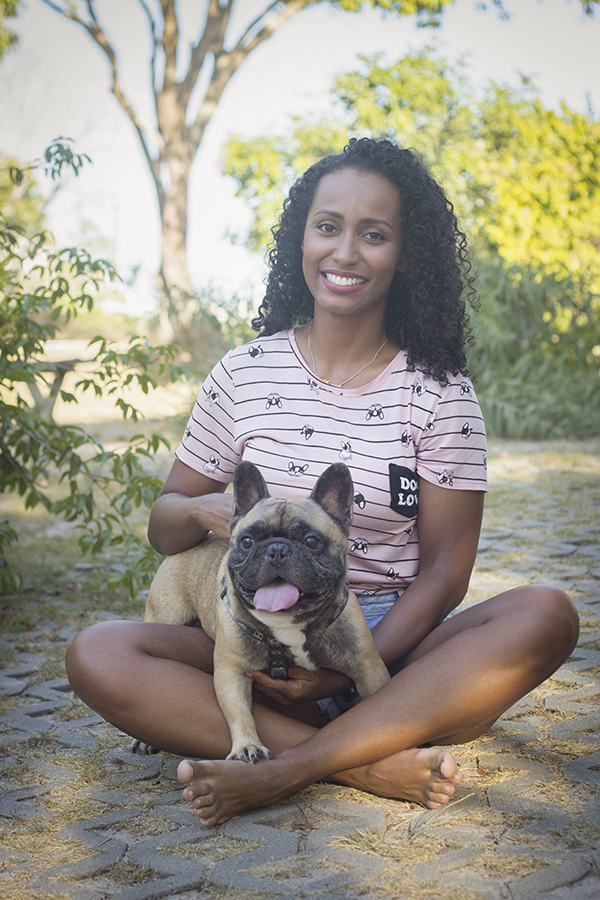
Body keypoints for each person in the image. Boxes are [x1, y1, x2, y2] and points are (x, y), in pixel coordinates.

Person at [65, 138, 579, 827]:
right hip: (253, 644)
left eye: (375, 235)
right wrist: (199, 507)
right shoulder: (243, 373)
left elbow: (448, 572)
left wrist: (347, 667)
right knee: (98, 652)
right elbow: (164, 525)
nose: (345, 253)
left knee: (546, 611)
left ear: (406, 256)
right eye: (328, 227)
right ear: (300, 239)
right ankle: (368, 762)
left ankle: (291, 767)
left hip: (389, 647)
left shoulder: (438, 391)